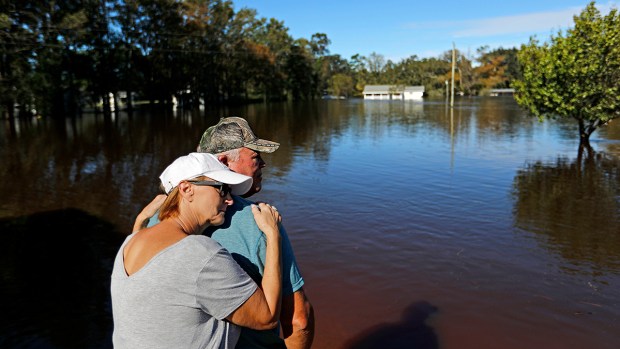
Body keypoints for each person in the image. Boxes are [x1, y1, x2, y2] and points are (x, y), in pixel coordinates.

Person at [135, 117, 314, 349]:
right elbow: (299, 320)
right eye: (255, 157)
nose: (263, 164)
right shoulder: (258, 222)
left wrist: (139, 223)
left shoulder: (157, 220)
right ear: (222, 161)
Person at [112, 152, 283, 349]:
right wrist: (272, 234)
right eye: (222, 189)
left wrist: (141, 221)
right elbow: (267, 317)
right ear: (186, 189)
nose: (230, 200)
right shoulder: (200, 253)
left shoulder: (129, 243)